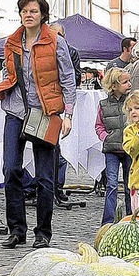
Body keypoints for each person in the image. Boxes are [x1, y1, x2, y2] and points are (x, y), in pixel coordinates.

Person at [0, 0, 76, 249]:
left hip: (45, 113)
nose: (28, 15)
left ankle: (42, 233)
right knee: (11, 169)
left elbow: (68, 79)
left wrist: (67, 115)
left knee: (45, 177)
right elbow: (9, 71)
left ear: (43, 15)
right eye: (25, 11)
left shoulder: (56, 42)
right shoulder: (12, 42)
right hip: (16, 111)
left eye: (33, 11)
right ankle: (16, 230)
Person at [96, 68, 133, 225]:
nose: (129, 84)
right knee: (111, 185)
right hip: (111, 150)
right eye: (125, 82)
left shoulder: (132, 102)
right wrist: (106, 137)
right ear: (114, 85)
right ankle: (108, 222)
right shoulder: (103, 105)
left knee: (130, 186)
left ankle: (132, 218)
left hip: (129, 149)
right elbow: (99, 125)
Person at [50, 22, 82, 202]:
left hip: (61, 103)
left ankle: (57, 186)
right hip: (48, 103)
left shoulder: (71, 52)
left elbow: (74, 77)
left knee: (58, 150)